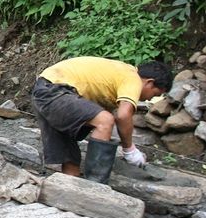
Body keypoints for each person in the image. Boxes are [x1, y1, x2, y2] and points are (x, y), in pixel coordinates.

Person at [31, 56, 173, 183]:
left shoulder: (119, 75)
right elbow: (123, 115)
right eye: (155, 94)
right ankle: (95, 185)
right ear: (149, 82)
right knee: (105, 120)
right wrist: (129, 150)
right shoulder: (133, 78)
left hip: (45, 91)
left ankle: (70, 190)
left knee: (72, 164)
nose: (150, 99)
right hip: (55, 91)